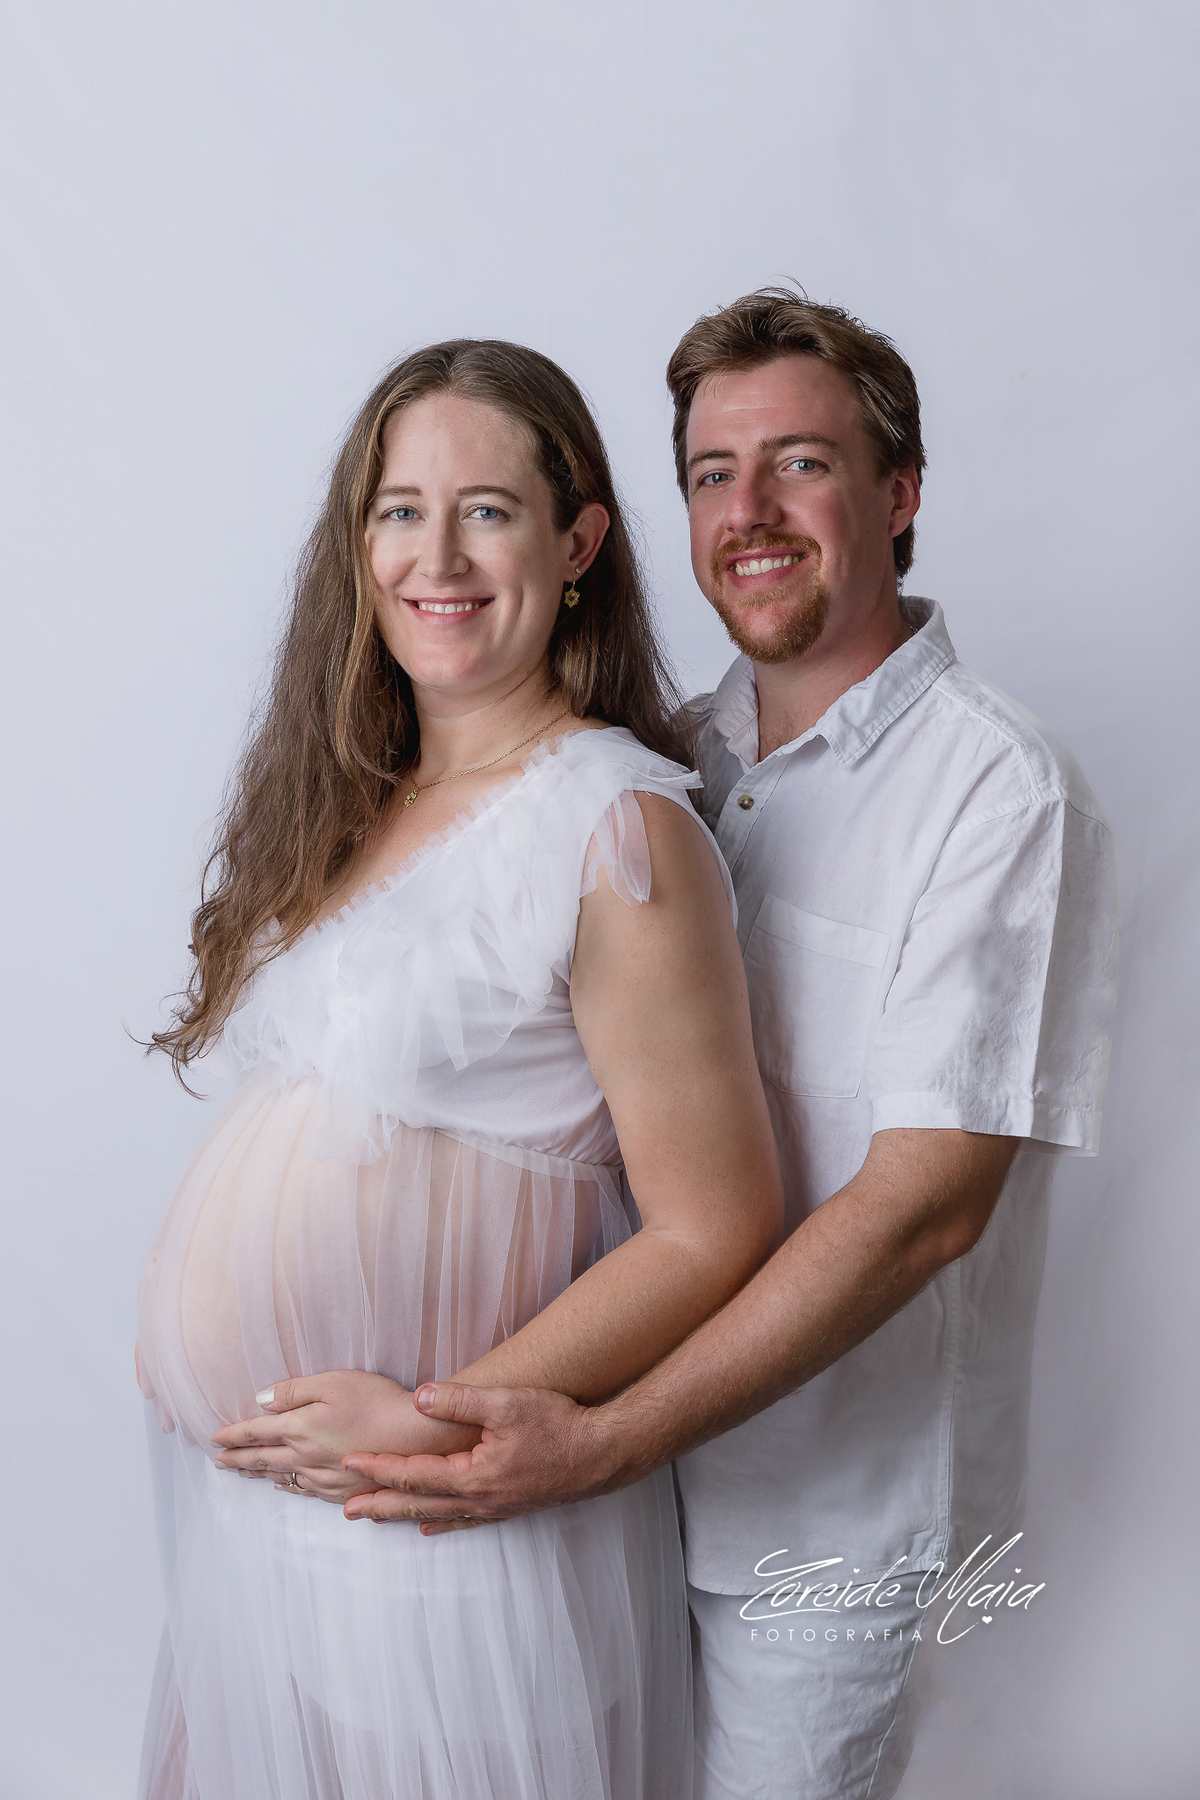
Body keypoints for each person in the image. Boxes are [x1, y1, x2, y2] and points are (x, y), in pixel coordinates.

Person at [328, 292, 1120, 1800]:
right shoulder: (665, 761)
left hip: (822, 1525)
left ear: (900, 493)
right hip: (600, 1488)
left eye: (801, 464)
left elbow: (925, 1208)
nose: (748, 512)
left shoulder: (1000, 793)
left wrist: (605, 1438)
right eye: (711, 473)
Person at [135, 337, 783, 1800]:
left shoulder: (617, 827)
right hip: (273, 1527)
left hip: (438, 1523)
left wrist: (432, 1429)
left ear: (578, 543)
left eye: (487, 510)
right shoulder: (356, 805)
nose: (436, 557)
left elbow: (715, 1224)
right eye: (399, 511)